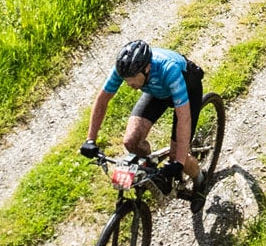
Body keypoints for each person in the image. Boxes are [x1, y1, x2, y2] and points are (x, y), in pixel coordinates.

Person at [80, 39, 201, 192]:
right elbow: (102, 99)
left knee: (177, 154)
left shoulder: (169, 69)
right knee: (131, 141)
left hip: (188, 89)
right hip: (157, 92)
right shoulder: (124, 69)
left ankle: (200, 179)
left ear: (147, 68)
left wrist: (179, 162)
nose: (129, 84)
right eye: (126, 80)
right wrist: (90, 139)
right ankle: (153, 173)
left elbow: (184, 118)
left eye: (132, 79)